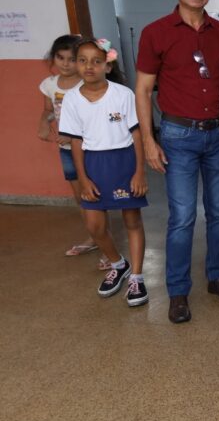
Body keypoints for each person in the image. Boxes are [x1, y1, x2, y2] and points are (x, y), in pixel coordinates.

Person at [135, 0, 219, 323]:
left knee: (218, 212)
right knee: (181, 217)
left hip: (217, 135)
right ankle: (178, 292)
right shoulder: (156, 32)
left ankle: (217, 277)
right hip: (178, 135)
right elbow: (144, 88)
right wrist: (149, 140)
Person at [58, 38, 148, 307]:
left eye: (97, 61)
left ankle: (138, 277)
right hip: (92, 165)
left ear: (107, 66)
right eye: (82, 60)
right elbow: (75, 141)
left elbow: (137, 134)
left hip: (123, 162)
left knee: (132, 220)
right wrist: (83, 179)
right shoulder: (72, 99)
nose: (89, 66)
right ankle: (118, 264)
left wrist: (139, 173)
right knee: (94, 225)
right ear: (76, 64)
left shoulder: (123, 94)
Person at [38, 34, 97, 260]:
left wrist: (72, 135)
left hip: (90, 149)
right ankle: (94, 237)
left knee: (95, 195)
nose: (65, 63)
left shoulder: (88, 84)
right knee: (81, 197)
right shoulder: (49, 85)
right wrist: (44, 122)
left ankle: (105, 238)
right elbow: (48, 110)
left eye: (72, 59)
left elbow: (94, 117)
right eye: (60, 58)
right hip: (66, 152)